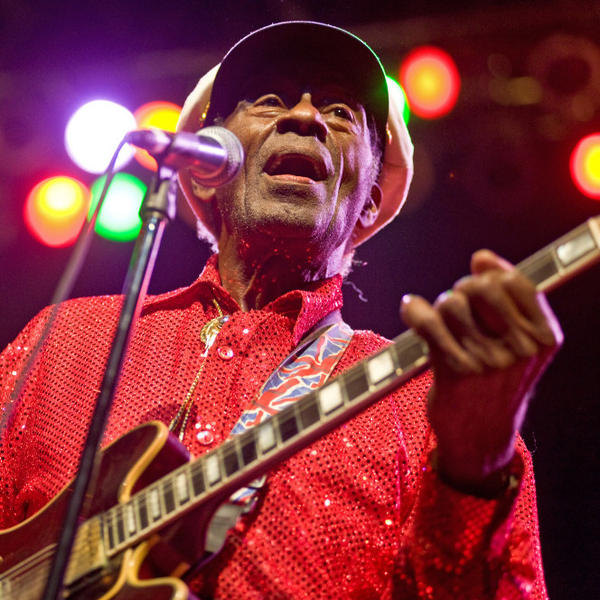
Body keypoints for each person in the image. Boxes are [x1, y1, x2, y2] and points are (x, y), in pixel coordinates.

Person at [0, 21, 560, 599]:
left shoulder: (429, 403)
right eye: (269, 99)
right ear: (205, 168)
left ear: (370, 197)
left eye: (342, 112)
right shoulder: (66, 341)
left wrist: (475, 469)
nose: (305, 117)